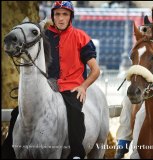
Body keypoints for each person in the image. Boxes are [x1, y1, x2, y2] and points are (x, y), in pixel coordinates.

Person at [43, 1, 100, 159]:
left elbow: (96, 71)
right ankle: (8, 150)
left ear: (71, 17)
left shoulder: (81, 37)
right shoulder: (44, 36)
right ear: (52, 17)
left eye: (65, 14)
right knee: (18, 112)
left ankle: (76, 154)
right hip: (47, 87)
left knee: (74, 113)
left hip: (72, 88)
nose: (61, 18)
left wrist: (83, 87)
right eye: (57, 14)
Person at [114, 1, 153, 159]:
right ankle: (124, 141)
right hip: (146, 78)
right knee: (127, 99)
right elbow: (139, 54)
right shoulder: (145, 29)